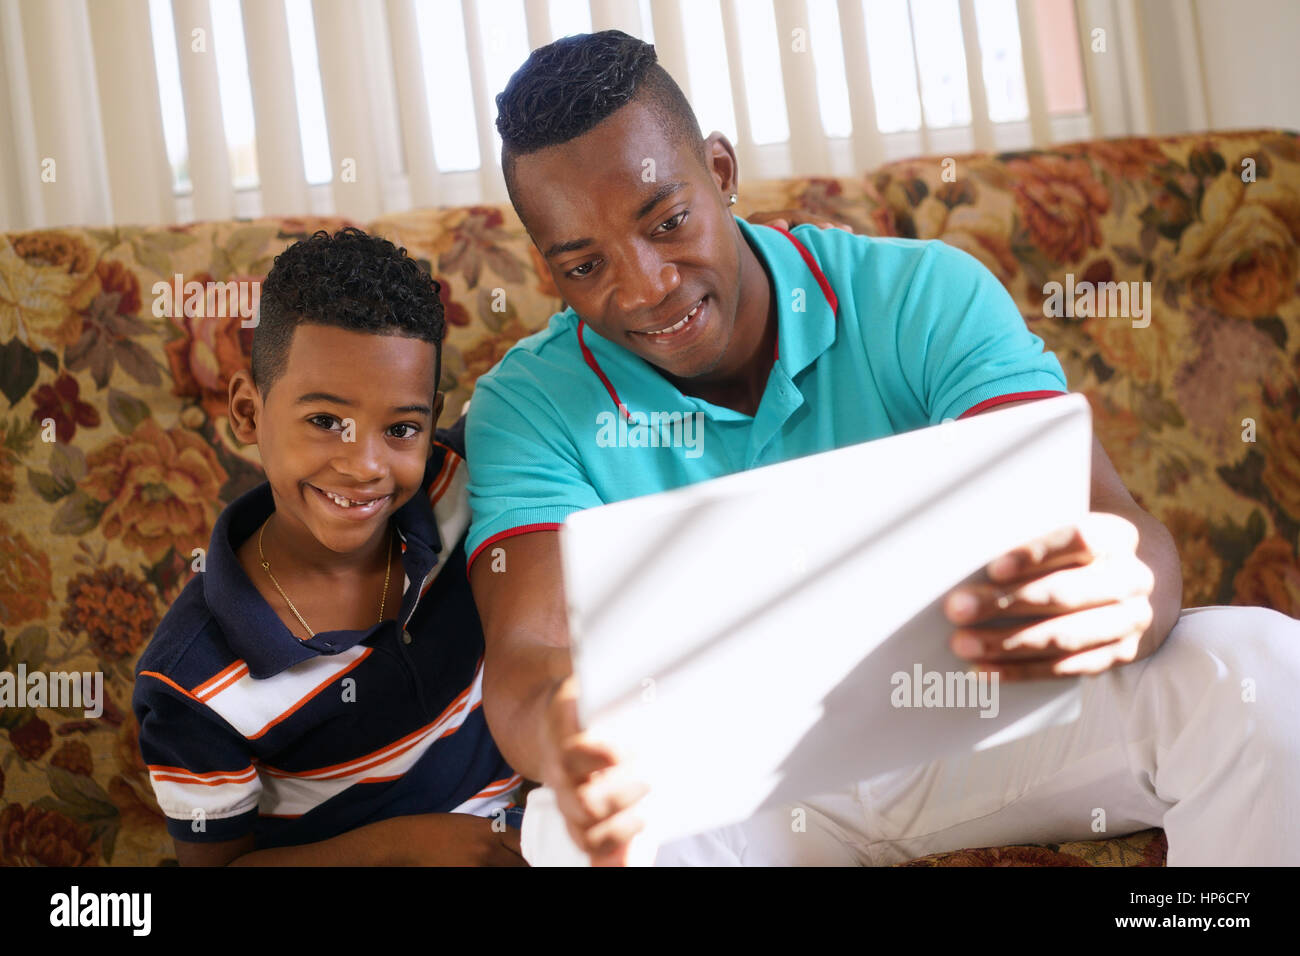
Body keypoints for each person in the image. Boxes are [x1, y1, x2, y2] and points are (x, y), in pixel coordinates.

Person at [464, 30, 1300, 866]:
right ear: (547, 270)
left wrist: (1120, 594)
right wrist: (564, 731)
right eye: (584, 265)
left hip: (982, 728)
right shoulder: (527, 404)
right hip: (744, 787)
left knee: (1259, 665)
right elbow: (529, 653)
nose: (645, 286)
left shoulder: (920, 294)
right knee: (564, 831)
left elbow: (1116, 529)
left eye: (669, 221)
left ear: (720, 171)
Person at [133, 227, 526, 865]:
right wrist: (414, 846)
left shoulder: (462, 486)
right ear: (247, 412)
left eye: (401, 428)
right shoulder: (193, 678)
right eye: (325, 421)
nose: (365, 465)